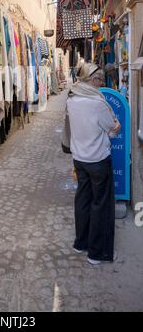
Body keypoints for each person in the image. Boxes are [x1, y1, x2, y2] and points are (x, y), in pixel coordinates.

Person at [64, 62, 121, 265]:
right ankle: (96, 254)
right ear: (92, 80)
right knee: (101, 205)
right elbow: (112, 128)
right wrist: (117, 126)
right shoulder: (97, 103)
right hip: (97, 160)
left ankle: (80, 242)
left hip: (79, 159)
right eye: (99, 80)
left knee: (83, 199)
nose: (101, 84)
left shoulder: (72, 98)